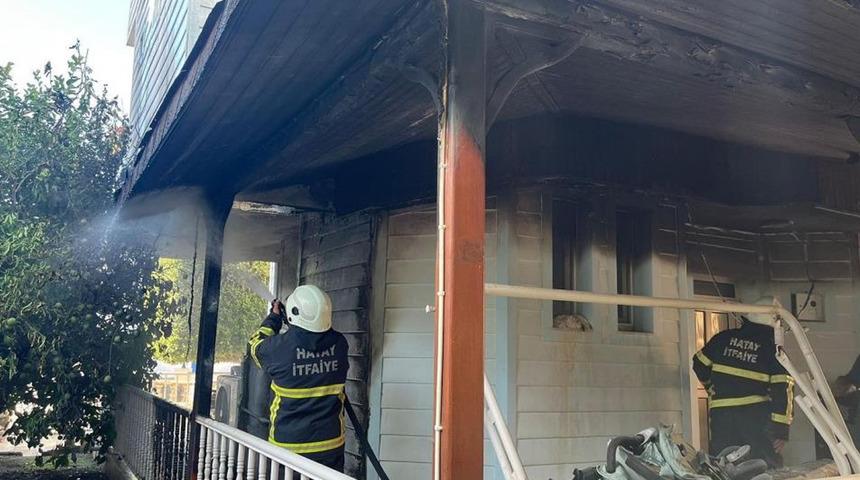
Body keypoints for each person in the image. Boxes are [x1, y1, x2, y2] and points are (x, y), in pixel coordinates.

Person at [248, 285, 349, 473]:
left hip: (288, 450)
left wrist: (275, 319)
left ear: (294, 313)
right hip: (331, 446)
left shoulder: (278, 349)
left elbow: (254, 346)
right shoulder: (341, 344)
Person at [692, 298, 795, 468]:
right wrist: (780, 431)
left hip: (721, 416)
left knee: (724, 465)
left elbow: (699, 363)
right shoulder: (771, 349)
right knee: (761, 465)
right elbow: (783, 388)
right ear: (775, 322)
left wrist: (711, 388)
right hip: (755, 417)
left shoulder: (723, 338)